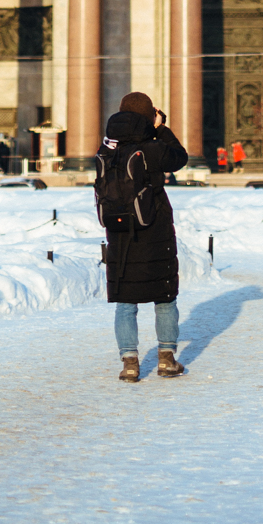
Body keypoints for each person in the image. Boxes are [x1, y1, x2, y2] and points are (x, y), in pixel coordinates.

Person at [98, 92, 188, 383]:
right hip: (155, 231)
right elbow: (180, 158)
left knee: (126, 300)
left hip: (120, 232)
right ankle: (166, 359)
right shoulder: (152, 148)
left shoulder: (106, 150)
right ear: (149, 116)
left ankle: (130, 363)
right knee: (164, 297)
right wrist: (161, 128)